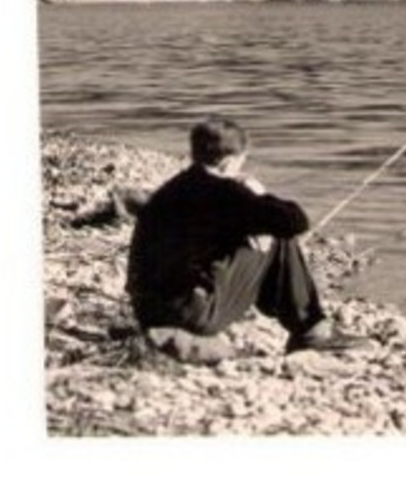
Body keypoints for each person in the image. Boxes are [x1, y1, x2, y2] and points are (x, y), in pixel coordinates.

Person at [126, 116, 367, 357]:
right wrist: (256, 190)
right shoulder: (225, 192)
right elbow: (295, 221)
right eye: (242, 161)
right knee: (279, 238)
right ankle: (310, 330)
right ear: (228, 161)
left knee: (263, 230)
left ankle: (301, 321)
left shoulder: (174, 188)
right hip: (190, 313)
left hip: (148, 308)